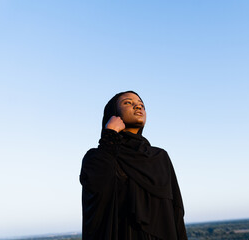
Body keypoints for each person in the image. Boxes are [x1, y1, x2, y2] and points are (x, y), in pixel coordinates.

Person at [80, 91, 188, 240]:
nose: (138, 106)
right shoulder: (100, 156)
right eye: (128, 103)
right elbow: (98, 190)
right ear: (113, 114)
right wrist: (110, 135)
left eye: (141, 105)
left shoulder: (159, 157)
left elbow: (176, 210)